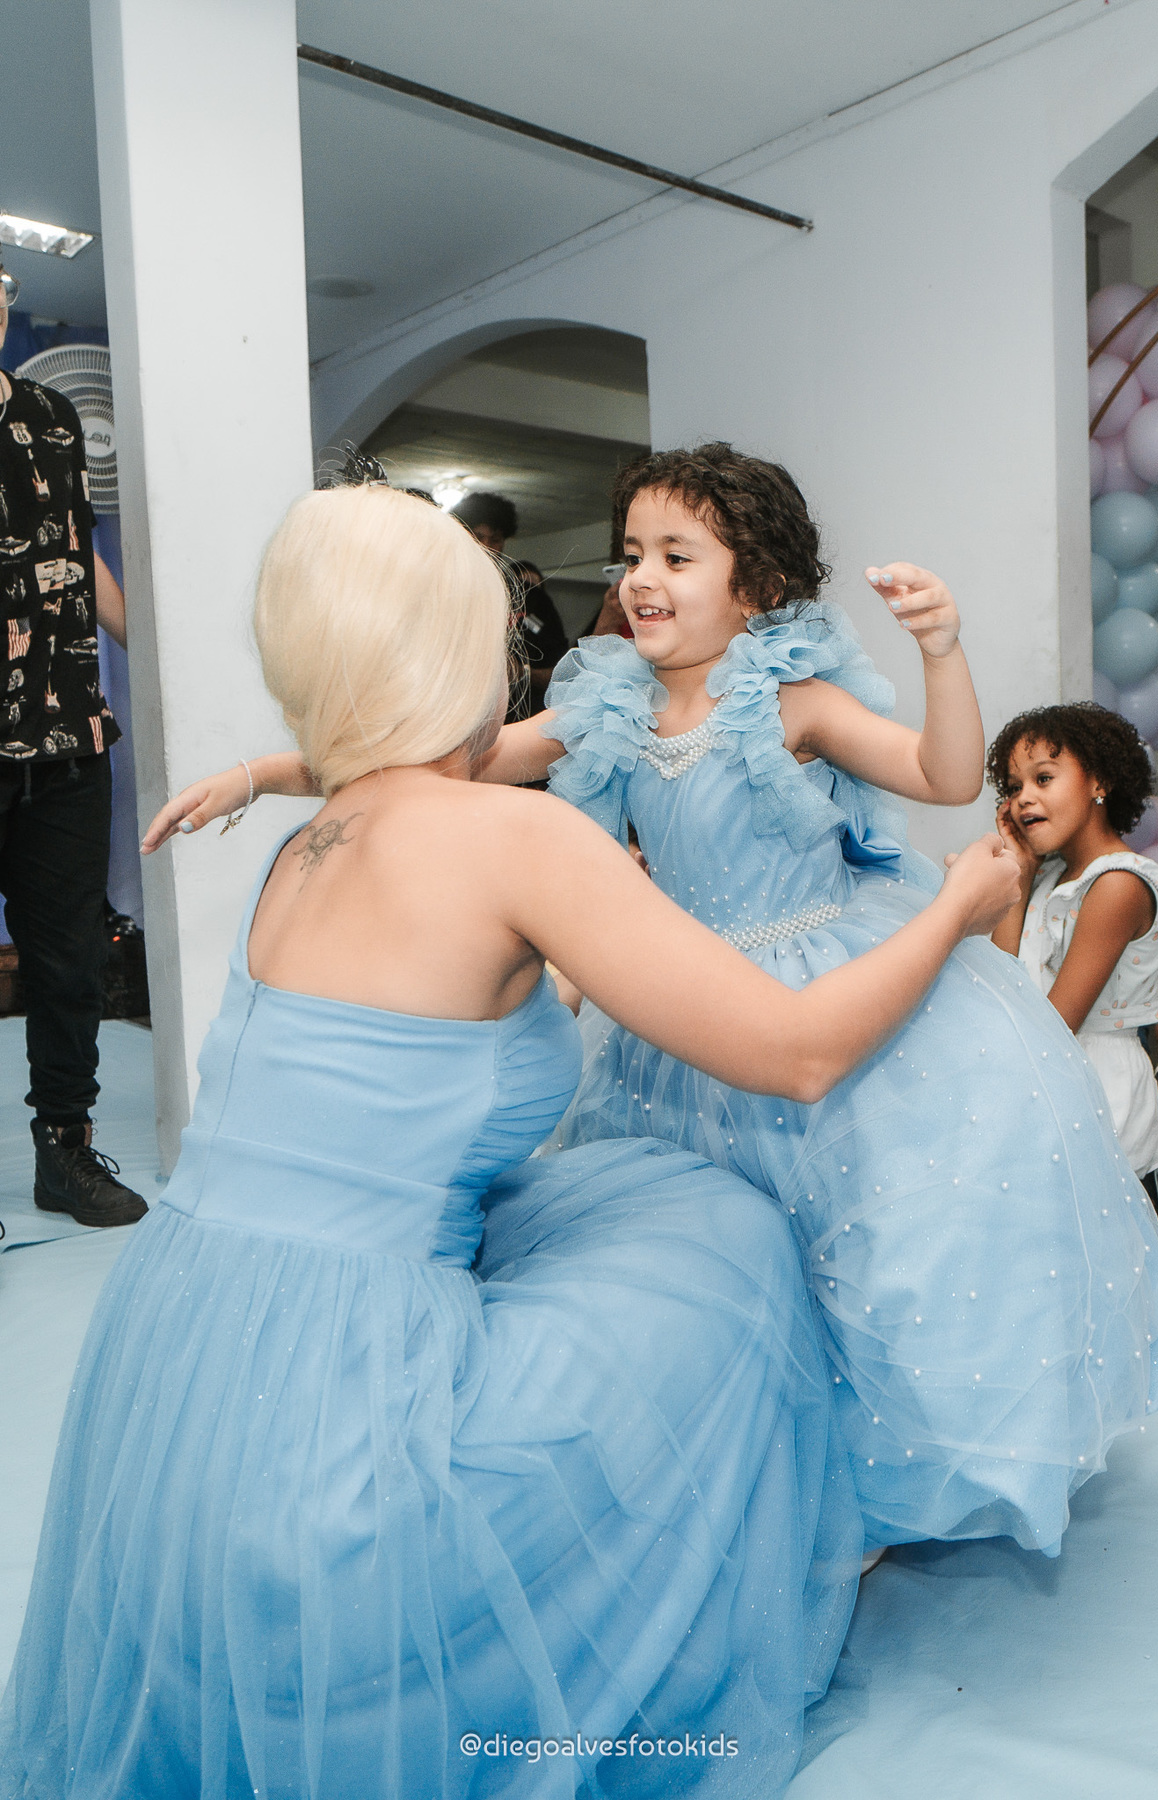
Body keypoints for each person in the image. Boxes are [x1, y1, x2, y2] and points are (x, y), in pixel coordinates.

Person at [0, 479, 1024, 1796]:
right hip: (346, 1402)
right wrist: (954, 909)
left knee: (631, 1202)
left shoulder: (306, 842)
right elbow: (802, 1054)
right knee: (724, 1247)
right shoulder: (515, 837)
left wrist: (262, 776)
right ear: (461, 653)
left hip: (175, 1361)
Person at [146, 443, 1158, 1560]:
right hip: (684, 1002)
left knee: (856, 1255)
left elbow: (939, 772)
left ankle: (865, 1486)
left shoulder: (792, 700)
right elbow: (436, 759)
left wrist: (941, 650)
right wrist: (264, 773)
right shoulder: (610, 705)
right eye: (632, 553)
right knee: (727, 1258)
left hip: (818, 974)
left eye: (677, 556)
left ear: (757, 585)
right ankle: (778, 1464)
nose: (641, 577)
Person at [0, 261, 144, 1227]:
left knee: (69, 960)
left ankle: (66, 1151)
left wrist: (154, 657)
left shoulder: (51, 416)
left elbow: (75, 552)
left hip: (63, 734)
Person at [989, 703, 1158, 1181]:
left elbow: (1057, 1024)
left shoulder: (1117, 885)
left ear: (1098, 782)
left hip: (1096, 1091)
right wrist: (1021, 870)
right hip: (1040, 1071)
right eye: (1014, 787)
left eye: (1043, 778)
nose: (1023, 798)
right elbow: (1002, 979)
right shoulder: (1051, 878)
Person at [506, 559, 569, 716]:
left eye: (535, 588)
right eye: (521, 586)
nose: (528, 593)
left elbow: (562, 675)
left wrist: (523, 673)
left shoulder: (547, 621)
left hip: (533, 711)